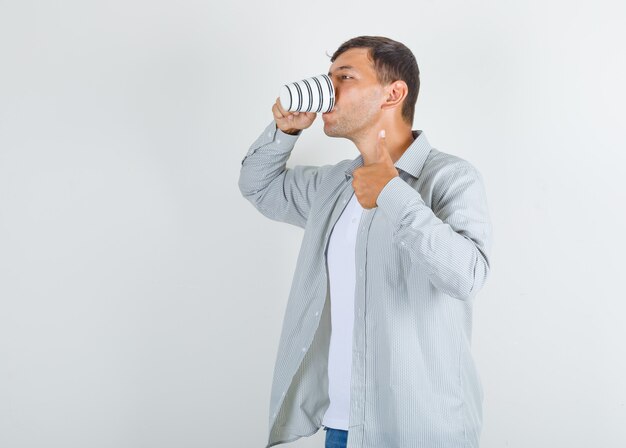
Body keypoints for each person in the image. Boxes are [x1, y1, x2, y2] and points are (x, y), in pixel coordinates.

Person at [238, 36, 493, 448]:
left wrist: (393, 193)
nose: (329, 87)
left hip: (423, 432)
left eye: (345, 76)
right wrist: (284, 131)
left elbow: (467, 277)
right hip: (342, 427)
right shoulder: (334, 185)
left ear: (394, 93)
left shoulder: (451, 178)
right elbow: (258, 186)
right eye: (329, 76)